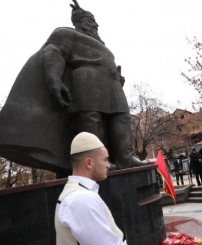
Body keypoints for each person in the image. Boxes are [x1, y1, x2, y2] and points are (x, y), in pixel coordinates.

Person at [0, 0, 147, 176]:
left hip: (113, 84)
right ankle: (98, 161)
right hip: (87, 79)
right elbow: (53, 51)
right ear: (80, 21)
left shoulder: (103, 45)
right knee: (92, 119)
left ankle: (125, 158)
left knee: (121, 118)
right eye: (92, 21)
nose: (96, 25)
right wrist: (53, 77)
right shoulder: (65, 33)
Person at [55, 132, 143, 245]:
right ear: (89, 163)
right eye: (105, 160)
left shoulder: (76, 193)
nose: (108, 165)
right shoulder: (81, 199)